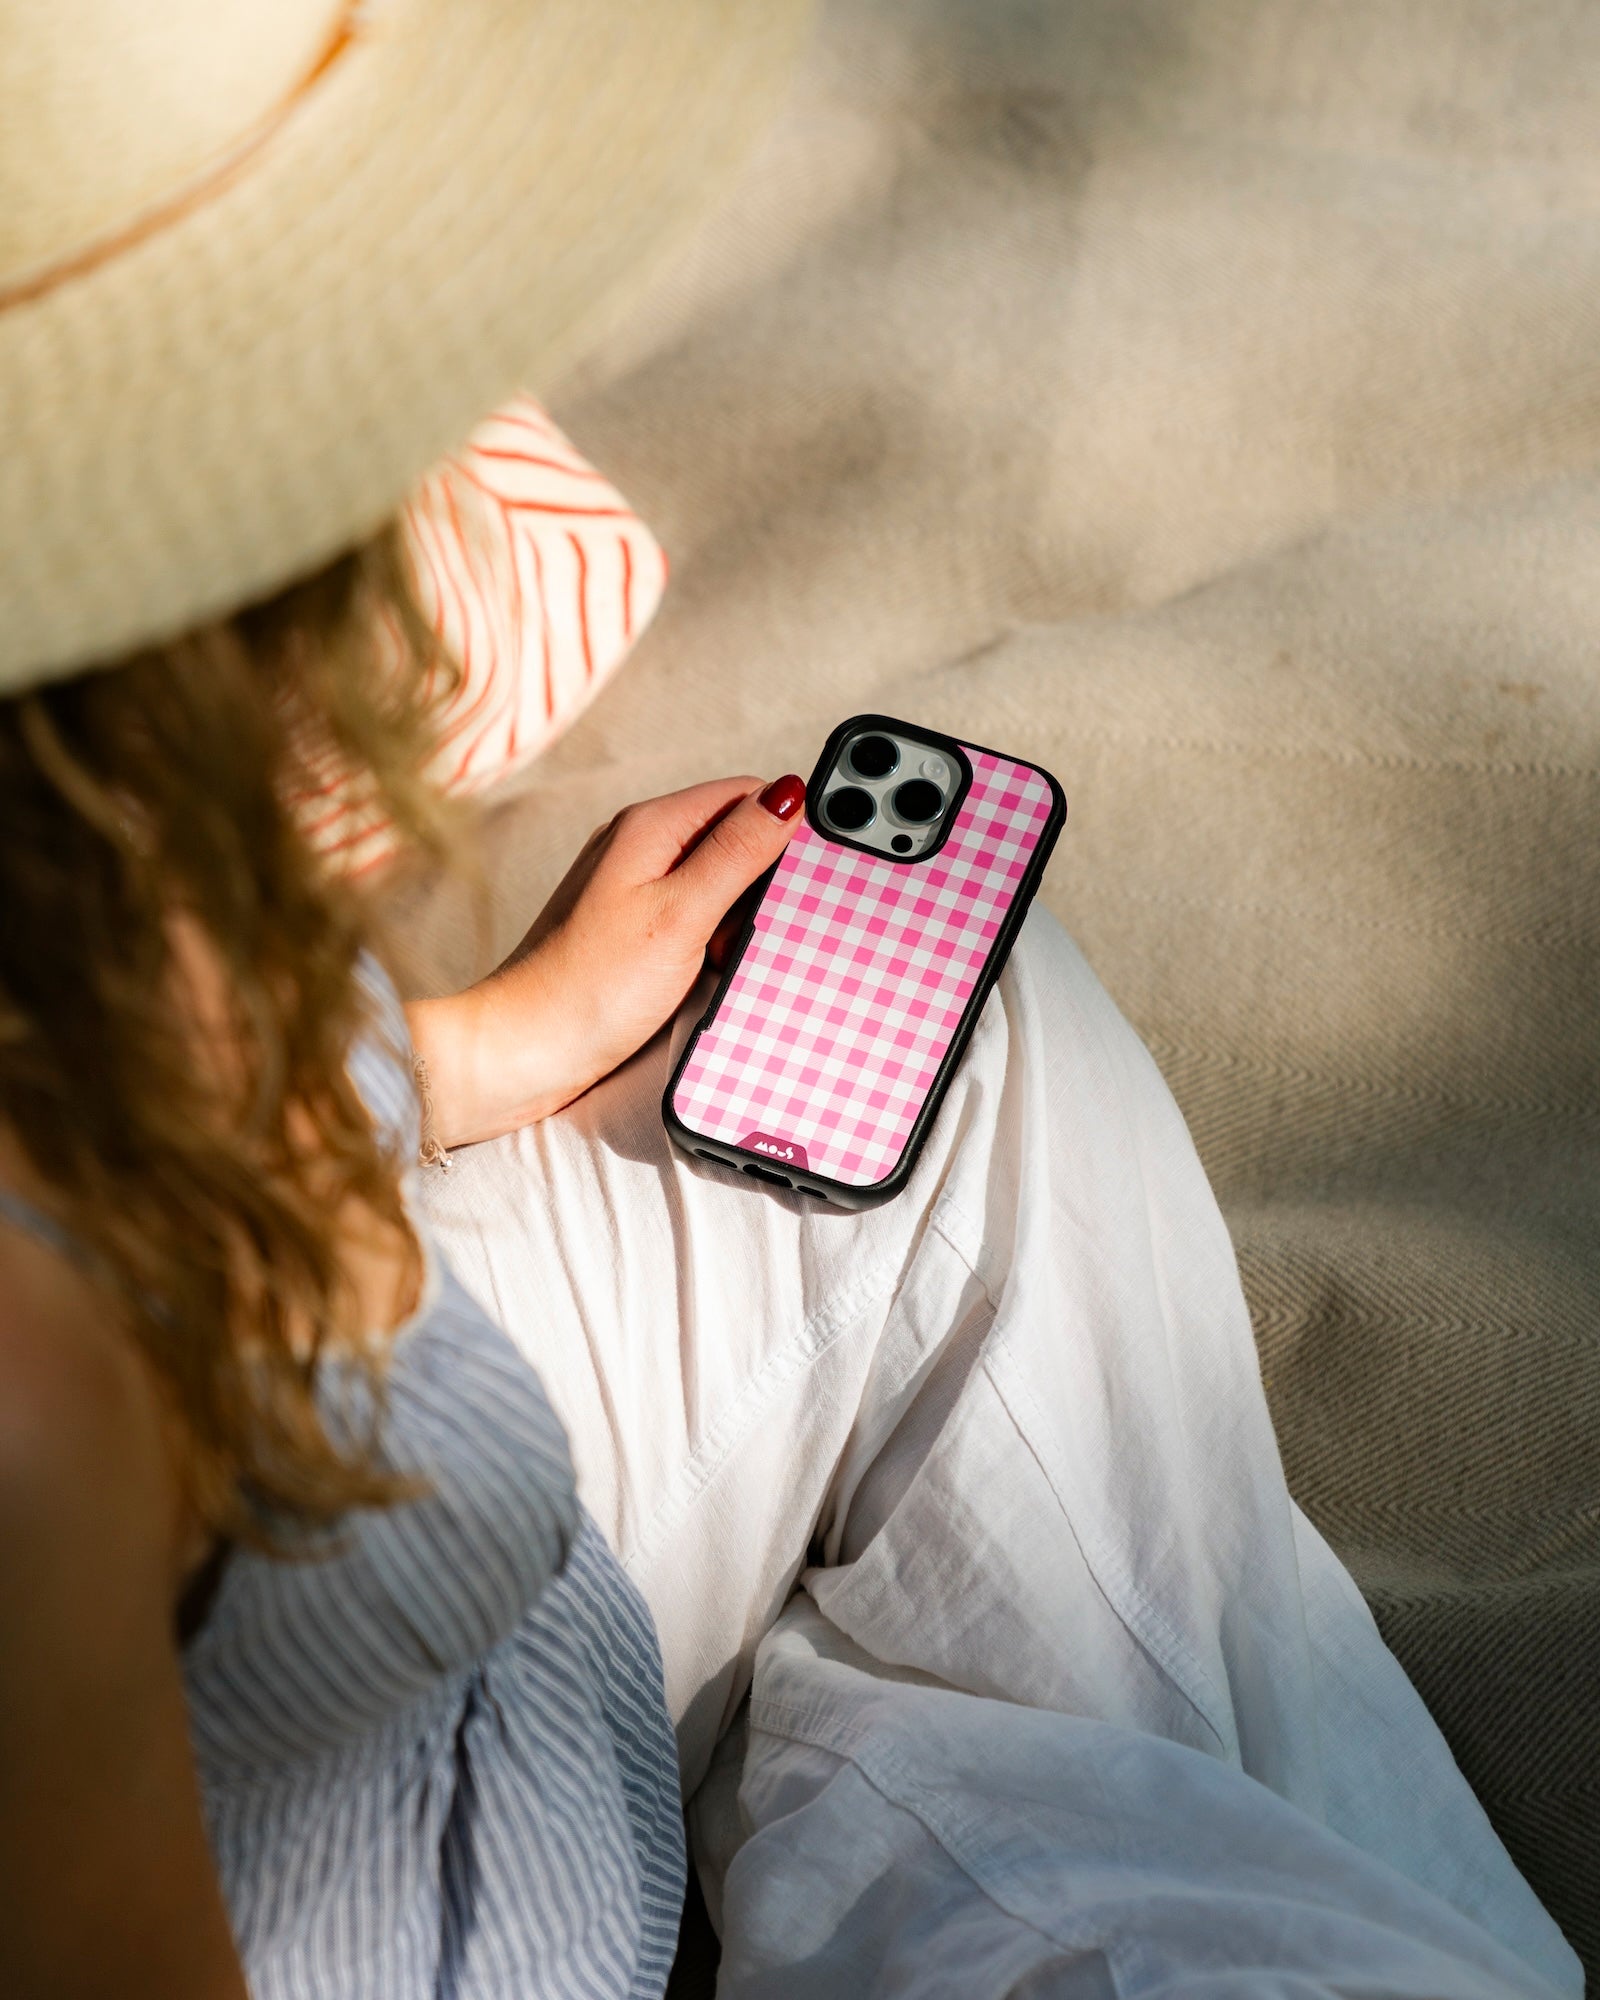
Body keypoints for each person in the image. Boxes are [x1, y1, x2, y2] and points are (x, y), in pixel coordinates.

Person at [0, 5, 1581, 1998]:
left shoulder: (100, 922)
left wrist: (464, 1052)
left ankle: (956, 1811)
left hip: (482, 1714)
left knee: (940, 1020)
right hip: (448, 1904)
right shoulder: (31, 1431)